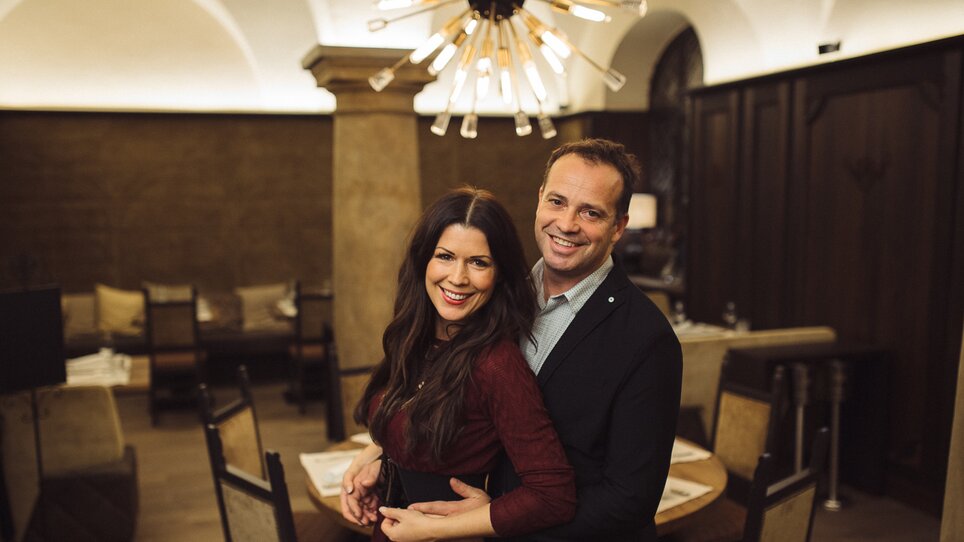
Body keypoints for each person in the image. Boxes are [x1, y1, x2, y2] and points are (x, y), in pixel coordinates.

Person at [372, 139, 683, 541]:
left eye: (590, 212)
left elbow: (629, 500)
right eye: (557, 201)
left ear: (618, 227)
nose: (567, 224)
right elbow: (442, 401)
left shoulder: (646, 338)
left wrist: (498, 519)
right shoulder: (491, 297)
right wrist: (382, 455)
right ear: (539, 200)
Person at [341, 187, 577, 541]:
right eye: (445, 256)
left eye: (478, 262)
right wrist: (378, 460)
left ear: (499, 274)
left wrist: (442, 527)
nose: (458, 277)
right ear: (424, 260)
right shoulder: (415, 338)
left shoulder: (497, 365)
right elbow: (419, 428)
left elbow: (554, 496)